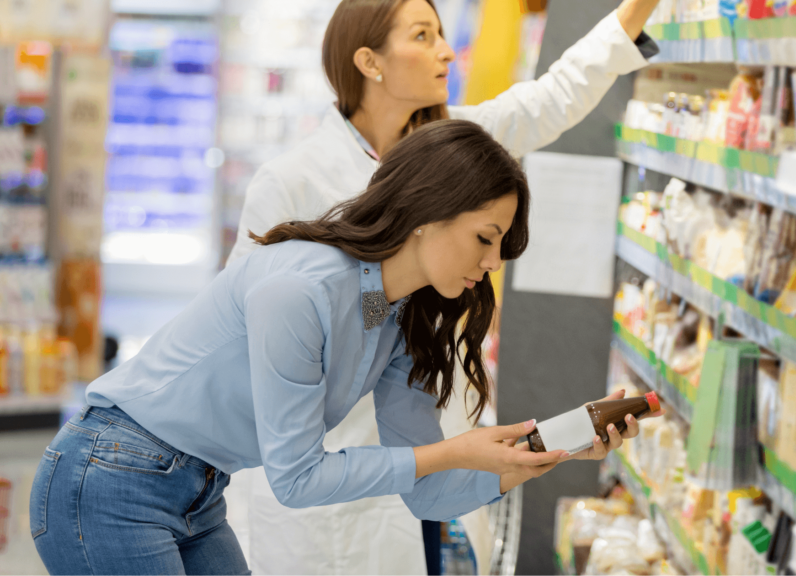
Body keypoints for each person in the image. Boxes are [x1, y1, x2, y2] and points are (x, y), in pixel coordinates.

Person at [29, 121, 658, 576]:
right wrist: (447, 452)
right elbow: (298, 479)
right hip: (110, 478)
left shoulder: (398, 317)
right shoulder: (300, 288)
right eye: (486, 239)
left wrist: (526, 460)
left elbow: (425, 491)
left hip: (196, 491)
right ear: (427, 212)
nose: (492, 264)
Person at [224, 0, 660, 572]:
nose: (447, 50)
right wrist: (387, 302)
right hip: (332, 469)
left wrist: (636, 10)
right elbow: (251, 324)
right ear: (369, 61)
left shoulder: (454, 147)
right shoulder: (293, 179)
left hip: (435, 447)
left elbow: (552, 98)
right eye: (423, 35)